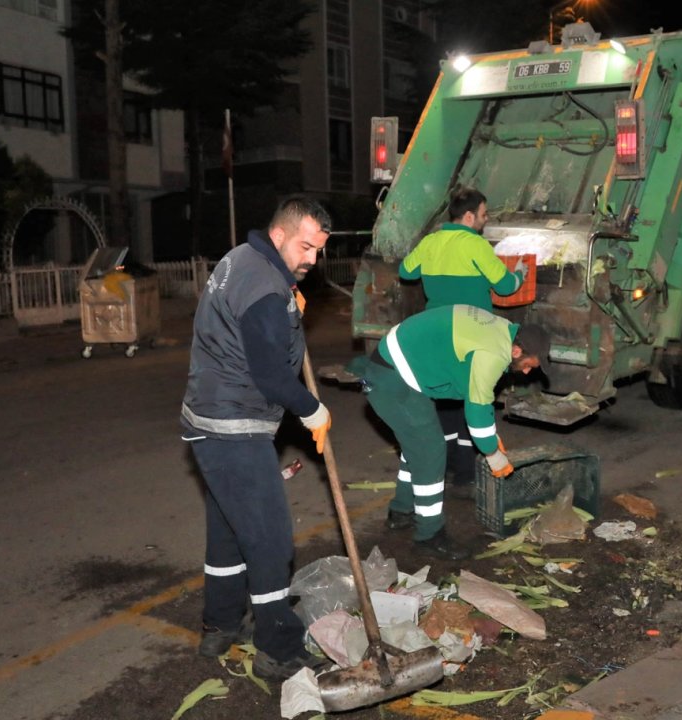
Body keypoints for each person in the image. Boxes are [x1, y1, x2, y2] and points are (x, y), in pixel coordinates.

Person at [180, 196, 333, 682]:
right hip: (234, 424)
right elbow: (270, 375)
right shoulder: (266, 287)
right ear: (281, 234)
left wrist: (287, 304)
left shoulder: (241, 260)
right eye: (306, 247)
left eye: (319, 251)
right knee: (269, 540)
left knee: (229, 531)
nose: (312, 259)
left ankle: (221, 626)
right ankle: (278, 648)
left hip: (206, 418)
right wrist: (312, 410)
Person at [347, 303, 552, 561]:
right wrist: (493, 453)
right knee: (430, 451)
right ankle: (429, 536)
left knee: (417, 445)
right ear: (516, 350)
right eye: (527, 364)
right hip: (393, 378)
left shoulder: (499, 330)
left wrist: (491, 436)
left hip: (393, 366)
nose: (526, 371)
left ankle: (401, 512)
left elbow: (474, 393)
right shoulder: (494, 354)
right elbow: (477, 413)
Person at [398, 187, 528, 498]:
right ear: (469, 216)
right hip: (471, 336)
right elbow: (506, 286)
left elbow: (406, 270)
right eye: (484, 214)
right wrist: (521, 272)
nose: (486, 220)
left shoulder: (430, 242)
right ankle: (467, 473)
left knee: (443, 400)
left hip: (437, 334)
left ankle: (443, 468)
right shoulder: (476, 245)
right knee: (473, 396)